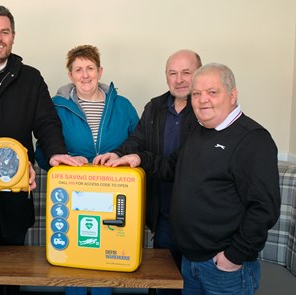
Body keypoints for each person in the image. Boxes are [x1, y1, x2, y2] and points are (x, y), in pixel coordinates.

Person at [102, 63, 281, 294]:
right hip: (190, 260)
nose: (202, 99)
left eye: (212, 92)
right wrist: (139, 158)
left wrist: (233, 257)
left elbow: (264, 208)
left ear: (233, 95)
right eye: (196, 94)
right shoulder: (199, 130)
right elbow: (173, 167)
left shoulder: (254, 140)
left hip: (223, 268)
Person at [0, 5, 84, 294]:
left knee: (11, 280)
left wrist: (56, 152)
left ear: (13, 36)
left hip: (15, 202)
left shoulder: (31, 78)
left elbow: (47, 122)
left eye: (5, 32)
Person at [94, 49, 201, 295]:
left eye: (186, 72)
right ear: (166, 76)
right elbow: (137, 140)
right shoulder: (154, 107)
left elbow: (180, 165)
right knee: (163, 284)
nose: (179, 79)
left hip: (197, 220)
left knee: (192, 285)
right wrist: (118, 154)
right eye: (173, 73)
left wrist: (141, 159)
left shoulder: (206, 112)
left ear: (199, 74)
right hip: (162, 215)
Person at [36, 44, 139, 295]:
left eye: (90, 68)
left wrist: (122, 156)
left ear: (100, 71)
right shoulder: (56, 107)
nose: (85, 75)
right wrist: (64, 159)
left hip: (114, 198)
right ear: (70, 75)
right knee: (74, 261)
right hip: (71, 199)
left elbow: (139, 143)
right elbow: (43, 151)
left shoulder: (123, 106)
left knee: (107, 258)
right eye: (78, 69)